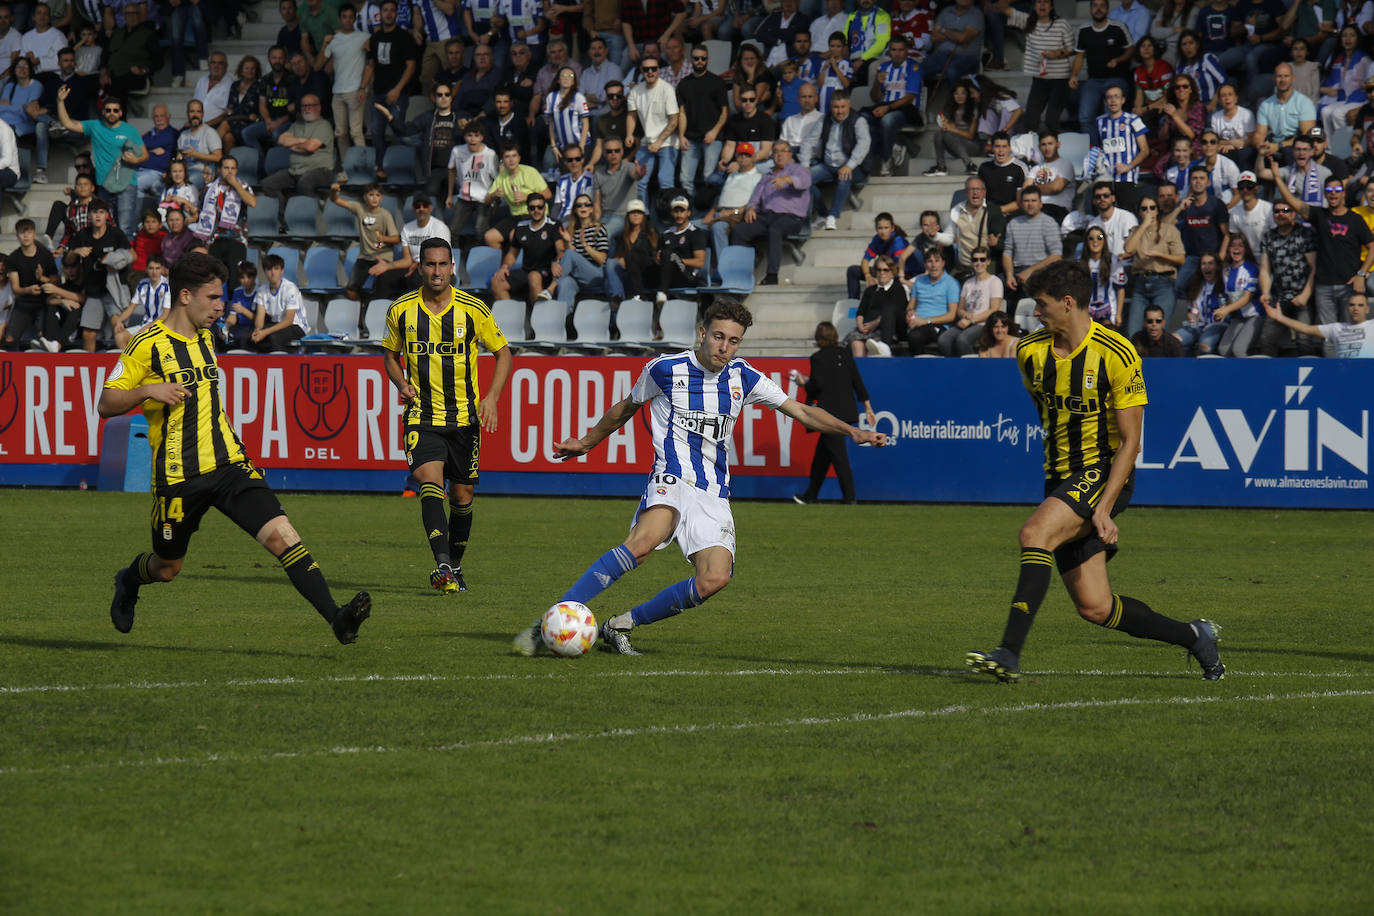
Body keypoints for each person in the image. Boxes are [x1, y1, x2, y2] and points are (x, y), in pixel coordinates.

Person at [512, 299, 887, 656]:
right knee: (641, 545)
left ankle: (620, 625)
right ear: (702, 332)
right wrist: (587, 442)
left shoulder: (744, 376)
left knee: (714, 579)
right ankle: (545, 622)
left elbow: (802, 411)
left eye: (734, 341)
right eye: (718, 336)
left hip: (713, 491)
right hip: (671, 475)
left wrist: (854, 432)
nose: (724, 347)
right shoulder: (664, 369)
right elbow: (624, 409)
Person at [966, 260, 1224, 684]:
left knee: (1035, 534)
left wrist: (1102, 509)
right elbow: (1048, 415)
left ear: (1068, 303)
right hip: (1061, 478)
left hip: (1105, 473)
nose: (1035, 312)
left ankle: (1008, 653)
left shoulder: (1118, 354)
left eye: (1042, 304)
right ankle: (1194, 636)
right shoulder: (1029, 352)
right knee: (1095, 607)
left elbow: (1131, 443)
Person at [100, 252, 372, 644]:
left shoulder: (208, 336)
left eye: (221, 297)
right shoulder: (146, 346)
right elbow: (106, 404)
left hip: (230, 464)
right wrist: (147, 389)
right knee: (167, 567)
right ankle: (128, 579)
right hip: (179, 478)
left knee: (284, 537)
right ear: (184, 296)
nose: (219, 306)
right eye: (212, 298)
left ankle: (338, 618)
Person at [381, 239, 513, 593]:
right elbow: (390, 355)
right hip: (421, 416)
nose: (436, 271)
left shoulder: (473, 309)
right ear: (420, 267)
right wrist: (400, 382)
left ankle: (455, 565)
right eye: (430, 264)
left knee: (463, 494)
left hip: (465, 419)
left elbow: (503, 353)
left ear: (452, 267)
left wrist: (492, 398)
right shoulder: (400, 310)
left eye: (442, 265)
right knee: (430, 482)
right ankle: (442, 568)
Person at [1273, 165, 1374, 338]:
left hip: (1348, 285)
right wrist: (1276, 178)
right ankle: (1330, 366)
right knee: (1328, 337)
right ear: (1325, 194)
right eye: (1329, 190)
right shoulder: (1320, 215)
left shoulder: (1355, 219)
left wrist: (1361, 273)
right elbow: (1292, 202)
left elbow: (1372, 247)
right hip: (1323, 286)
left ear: (1343, 194)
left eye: (1337, 190)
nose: (1333, 193)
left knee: (1350, 333)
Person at [790, 320, 874, 505]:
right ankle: (811, 495)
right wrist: (868, 407)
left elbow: (817, 384)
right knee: (823, 456)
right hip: (846, 410)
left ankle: (849, 497)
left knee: (838, 456)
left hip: (829, 414)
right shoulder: (845, 354)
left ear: (819, 338)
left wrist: (803, 383)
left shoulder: (818, 357)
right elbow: (857, 382)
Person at [55, 86, 146, 240]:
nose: (112, 113)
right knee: (105, 229)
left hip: (127, 185)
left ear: (121, 113)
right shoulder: (95, 126)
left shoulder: (130, 130)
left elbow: (145, 154)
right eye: (108, 110)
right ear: (103, 112)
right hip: (104, 186)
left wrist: (136, 159)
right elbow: (68, 124)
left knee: (124, 229)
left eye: (115, 110)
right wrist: (59, 101)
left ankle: (124, 264)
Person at [730, 139, 809, 285]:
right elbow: (756, 196)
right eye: (776, 152)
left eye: (783, 151)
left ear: (790, 154)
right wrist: (751, 208)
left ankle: (772, 276)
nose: (779, 155)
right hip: (767, 216)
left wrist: (787, 179)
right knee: (739, 230)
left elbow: (805, 181)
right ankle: (741, 273)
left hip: (791, 218)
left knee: (775, 229)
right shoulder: (767, 176)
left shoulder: (798, 169)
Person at [361, 0, 420, 181]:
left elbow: (410, 66)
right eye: (385, 10)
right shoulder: (375, 38)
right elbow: (371, 65)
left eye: (391, 10)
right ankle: (380, 168)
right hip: (378, 93)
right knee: (377, 131)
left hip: (398, 94)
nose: (388, 14)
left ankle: (402, 170)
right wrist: (363, 87)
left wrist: (397, 89)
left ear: (396, 14)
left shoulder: (404, 37)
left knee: (398, 131)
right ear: (381, 14)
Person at [258, 94, 335, 226]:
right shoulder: (297, 125)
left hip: (321, 171)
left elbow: (310, 147)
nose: (306, 108)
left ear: (319, 107)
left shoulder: (324, 125)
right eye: (304, 105)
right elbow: (281, 140)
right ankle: (284, 218)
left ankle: (314, 219)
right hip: (294, 171)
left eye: (310, 105)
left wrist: (293, 145)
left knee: (305, 183)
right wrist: (302, 141)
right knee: (267, 184)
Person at [1256, 198, 1317, 356]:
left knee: (1303, 340)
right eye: (1277, 211)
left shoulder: (1304, 234)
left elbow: (1314, 267)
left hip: (1302, 298)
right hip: (1279, 298)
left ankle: (1310, 377)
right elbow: (1264, 268)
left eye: (1285, 211)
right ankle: (1272, 378)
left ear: (1294, 214)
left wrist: (1305, 295)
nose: (1281, 214)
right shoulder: (1268, 237)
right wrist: (1265, 292)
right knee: (1266, 340)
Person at [1070, 0, 1134, 144]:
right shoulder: (1083, 30)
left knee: (1111, 115)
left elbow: (1130, 49)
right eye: (1095, 6)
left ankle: (1111, 149)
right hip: (1093, 80)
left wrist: (1118, 59)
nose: (1098, 9)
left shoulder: (1118, 27)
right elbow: (1079, 56)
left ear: (1107, 8)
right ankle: (1092, 151)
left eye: (1102, 6)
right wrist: (1074, 75)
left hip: (1116, 79)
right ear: (1091, 9)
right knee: (1085, 117)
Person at [491, 194, 561, 316]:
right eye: (532, 208)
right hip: (526, 271)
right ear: (528, 209)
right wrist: (504, 267)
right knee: (497, 281)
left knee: (534, 276)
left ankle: (538, 323)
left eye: (540, 207)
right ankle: (512, 321)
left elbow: (561, 250)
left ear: (544, 208)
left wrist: (556, 261)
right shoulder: (521, 227)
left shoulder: (554, 225)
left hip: (547, 272)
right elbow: (512, 254)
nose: (536, 211)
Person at [1123, 194, 1185, 333]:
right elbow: (1128, 249)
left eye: (1152, 208)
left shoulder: (1169, 230)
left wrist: (1160, 255)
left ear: (1157, 210)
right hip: (1140, 283)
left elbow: (1181, 259)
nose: (1148, 212)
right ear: (1139, 212)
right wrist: (1144, 225)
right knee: (1133, 332)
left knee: (1158, 331)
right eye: (1144, 209)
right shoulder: (1135, 230)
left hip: (1163, 282)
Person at [809, 91, 868, 232]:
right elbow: (809, 142)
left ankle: (832, 216)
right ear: (831, 106)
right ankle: (823, 214)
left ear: (849, 105)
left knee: (845, 175)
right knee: (804, 179)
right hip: (828, 164)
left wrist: (849, 165)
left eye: (843, 107)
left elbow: (864, 144)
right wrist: (805, 165)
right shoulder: (825, 120)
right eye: (836, 107)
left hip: (856, 166)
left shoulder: (858, 120)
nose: (839, 111)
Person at [700, 140, 763, 271]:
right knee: (692, 227)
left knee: (718, 227)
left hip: (736, 215)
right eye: (741, 155)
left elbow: (754, 203)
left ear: (754, 157)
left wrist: (731, 212)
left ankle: (727, 270)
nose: (743, 158)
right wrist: (712, 212)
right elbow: (721, 197)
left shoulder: (758, 177)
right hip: (720, 213)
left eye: (747, 155)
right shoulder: (731, 175)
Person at [626, 54, 680, 202]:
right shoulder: (636, 91)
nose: (650, 72)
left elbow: (674, 120)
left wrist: (659, 142)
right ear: (642, 71)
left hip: (668, 142)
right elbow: (631, 115)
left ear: (658, 70)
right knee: (639, 181)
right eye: (646, 69)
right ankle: (643, 216)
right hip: (647, 142)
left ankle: (669, 216)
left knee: (665, 181)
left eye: (653, 69)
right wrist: (629, 134)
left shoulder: (667, 89)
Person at [191, 154, 256, 274]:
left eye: (232, 168)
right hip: (214, 240)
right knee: (214, 278)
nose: (230, 172)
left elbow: (252, 202)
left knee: (235, 281)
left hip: (236, 239)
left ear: (236, 170)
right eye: (226, 168)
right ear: (219, 169)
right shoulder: (208, 189)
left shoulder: (243, 187)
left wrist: (236, 184)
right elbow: (201, 212)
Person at [319, 3, 370, 152]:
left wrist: (364, 88)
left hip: (356, 91)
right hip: (337, 92)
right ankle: (346, 168)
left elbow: (372, 65)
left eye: (351, 17)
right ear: (340, 19)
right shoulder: (333, 39)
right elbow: (318, 66)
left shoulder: (365, 37)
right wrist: (324, 45)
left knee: (356, 132)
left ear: (355, 18)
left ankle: (363, 167)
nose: (348, 20)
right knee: (340, 133)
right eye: (344, 17)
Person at [869, 34, 921, 177]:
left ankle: (886, 161)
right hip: (886, 106)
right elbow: (875, 98)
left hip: (907, 110)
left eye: (900, 50)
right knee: (863, 118)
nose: (897, 53)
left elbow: (910, 97)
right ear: (889, 51)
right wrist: (877, 83)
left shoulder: (914, 67)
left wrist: (888, 108)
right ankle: (894, 146)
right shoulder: (883, 67)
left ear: (906, 51)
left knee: (887, 120)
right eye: (894, 50)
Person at [1262, 290, 1374, 356]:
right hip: (1345, 376)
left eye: (1360, 305)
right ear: (1347, 308)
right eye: (1352, 305)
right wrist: (1280, 318)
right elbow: (1306, 328)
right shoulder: (1337, 328)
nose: (1355, 308)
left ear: (1367, 309)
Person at [2, 217, 55, 350]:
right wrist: (29, 290)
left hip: (44, 302)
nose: (26, 236)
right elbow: (16, 289)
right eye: (22, 232)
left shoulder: (45, 255)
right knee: (10, 339)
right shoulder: (13, 258)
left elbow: (56, 280)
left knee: (45, 339)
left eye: (29, 232)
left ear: (34, 234)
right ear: (17, 236)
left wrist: (43, 278)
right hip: (23, 304)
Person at [943, 245, 1004, 356]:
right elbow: (960, 309)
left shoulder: (995, 282)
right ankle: (954, 366)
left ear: (988, 262)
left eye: (982, 259)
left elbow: (994, 310)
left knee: (962, 340)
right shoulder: (968, 283)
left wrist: (972, 320)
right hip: (967, 322)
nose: (978, 263)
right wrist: (965, 315)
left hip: (985, 324)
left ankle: (971, 368)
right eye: (975, 260)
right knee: (944, 339)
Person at [1001, 186, 1061, 298]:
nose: (1030, 204)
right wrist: (1009, 275)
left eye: (1033, 201)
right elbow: (1007, 253)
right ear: (1021, 204)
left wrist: (1030, 271)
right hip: (1016, 270)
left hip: (1040, 271)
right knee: (996, 284)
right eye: (1026, 201)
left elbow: (1056, 256)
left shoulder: (1049, 223)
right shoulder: (1013, 223)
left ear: (1040, 203)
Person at [842, 254, 906, 356]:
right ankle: (860, 371)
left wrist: (875, 323)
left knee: (872, 344)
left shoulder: (897, 289)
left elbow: (897, 311)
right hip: (866, 328)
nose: (882, 273)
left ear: (892, 272)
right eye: (879, 270)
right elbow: (861, 311)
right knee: (856, 343)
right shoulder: (870, 290)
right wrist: (860, 325)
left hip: (885, 328)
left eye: (885, 270)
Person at [447, 121, 498, 242]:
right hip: (464, 197)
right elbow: (451, 170)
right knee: (453, 230)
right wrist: (449, 195)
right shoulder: (457, 151)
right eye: (469, 135)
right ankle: (454, 257)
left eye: (476, 136)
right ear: (464, 137)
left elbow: (497, 180)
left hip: (484, 198)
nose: (472, 139)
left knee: (480, 230)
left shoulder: (490, 154)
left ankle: (479, 256)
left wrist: (495, 202)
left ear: (482, 137)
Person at [847, 211, 910, 302]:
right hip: (883, 271)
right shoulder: (877, 239)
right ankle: (852, 303)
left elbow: (898, 268)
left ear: (892, 228)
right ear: (876, 229)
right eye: (880, 228)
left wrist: (880, 277)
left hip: (900, 274)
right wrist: (868, 276)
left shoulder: (898, 241)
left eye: (886, 228)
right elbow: (865, 260)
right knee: (853, 271)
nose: (883, 231)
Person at [905, 247, 958, 353]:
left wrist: (925, 321)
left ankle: (920, 367)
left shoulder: (951, 283)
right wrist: (910, 314)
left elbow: (952, 315)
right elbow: (911, 305)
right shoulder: (919, 281)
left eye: (937, 261)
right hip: (917, 323)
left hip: (938, 325)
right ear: (925, 265)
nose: (933, 265)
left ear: (943, 263)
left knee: (915, 337)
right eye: (930, 261)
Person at [924, 78, 979, 177]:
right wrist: (946, 127)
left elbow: (970, 135)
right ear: (953, 95)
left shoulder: (973, 110)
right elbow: (950, 131)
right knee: (939, 134)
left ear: (967, 95)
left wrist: (952, 129)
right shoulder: (950, 109)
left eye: (963, 93)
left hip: (971, 146)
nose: (959, 96)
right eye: (956, 93)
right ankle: (941, 167)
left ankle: (969, 164)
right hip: (954, 145)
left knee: (948, 134)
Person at [1175, 251, 1226, 353]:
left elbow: (1225, 309)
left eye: (1210, 263)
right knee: (1174, 342)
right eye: (1203, 264)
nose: (1206, 267)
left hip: (1216, 326)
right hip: (1197, 326)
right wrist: (1191, 315)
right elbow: (1193, 309)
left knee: (1205, 345)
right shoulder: (1196, 285)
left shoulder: (1224, 284)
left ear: (1217, 266)